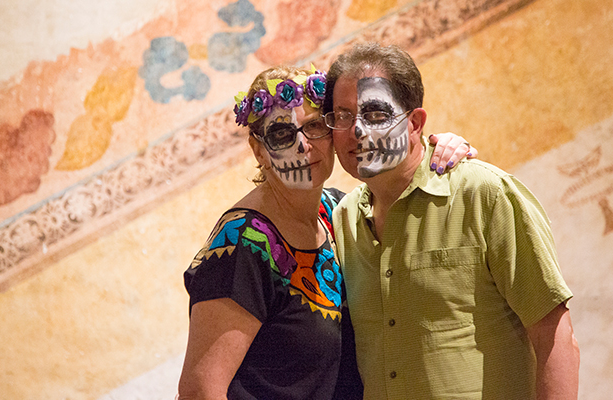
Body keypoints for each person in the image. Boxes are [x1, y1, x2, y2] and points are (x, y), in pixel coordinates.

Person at [177, 64, 475, 399]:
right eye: (282, 135)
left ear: (333, 132)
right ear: (258, 150)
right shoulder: (241, 244)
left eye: (314, 127)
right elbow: (200, 390)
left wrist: (441, 149)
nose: (303, 146)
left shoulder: (338, 211)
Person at [323, 42, 580, 399]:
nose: (357, 130)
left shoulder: (484, 194)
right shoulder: (342, 220)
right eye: (343, 115)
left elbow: (554, 336)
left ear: (415, 123)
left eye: (376, 115)